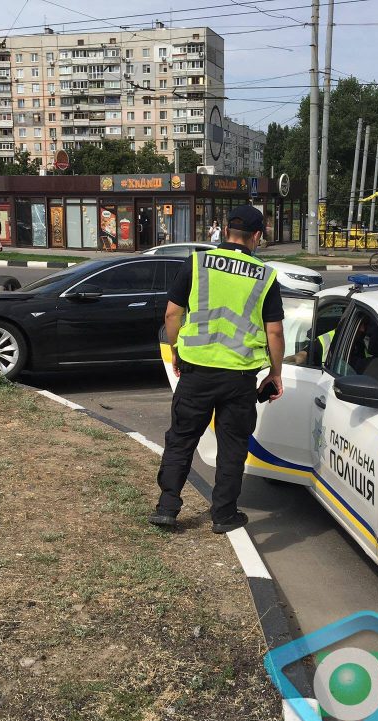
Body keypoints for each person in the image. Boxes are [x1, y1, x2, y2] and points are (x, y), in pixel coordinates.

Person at [152, 205, 285, 534]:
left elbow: (172, 315)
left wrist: (178, 353)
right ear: (256, 236)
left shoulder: (197, 263)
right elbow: (275, 333)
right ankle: (224, 515)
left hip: (196, 372)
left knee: (181, 439)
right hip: (239, 379)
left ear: (225, 232)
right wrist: (275, 372)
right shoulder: (265, 276)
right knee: (232, 446)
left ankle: (167, 507)